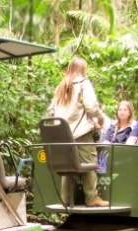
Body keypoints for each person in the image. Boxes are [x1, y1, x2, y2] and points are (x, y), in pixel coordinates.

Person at [47, 57, 110, 207]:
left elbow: (51, 111)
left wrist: (58, 128)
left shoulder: (61, 86)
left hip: (62, 135)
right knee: (90, 162)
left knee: (68, 165)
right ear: (82, 69)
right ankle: (92, 197)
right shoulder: (83, 83)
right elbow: (91, 106)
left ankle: (65, 199)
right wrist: (100, 119)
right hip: (80, 133)